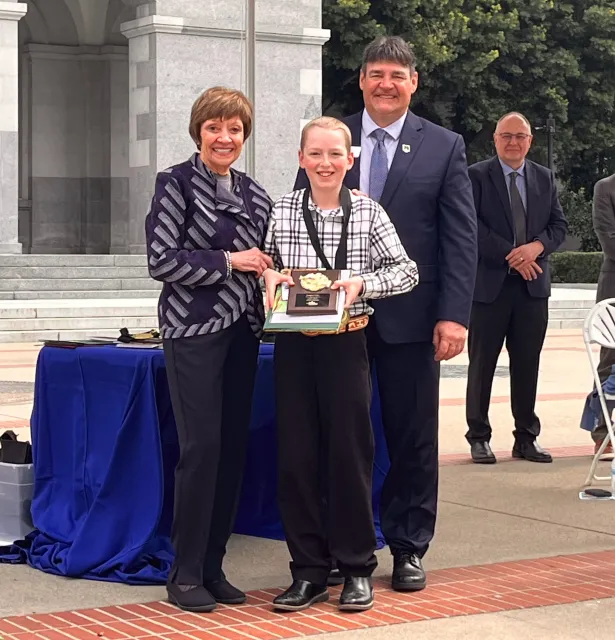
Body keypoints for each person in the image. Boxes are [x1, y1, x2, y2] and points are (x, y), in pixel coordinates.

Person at [294, 36, 477, 592]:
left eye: (397, 74)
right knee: (337, 438)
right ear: (362, 79)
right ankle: (335, 549)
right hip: (333, 325)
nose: (386, 83)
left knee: (410, 437)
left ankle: (407, 546)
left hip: (410, 319)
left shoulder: (443, 146)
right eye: (376, 73)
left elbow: (459, 238)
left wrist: (454, 315)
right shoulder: (331, 137)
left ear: (413, 82)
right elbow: (300, 227)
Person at [264, 117, 419, 612]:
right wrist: (269, 277)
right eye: (316, 154)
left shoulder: (370, 213)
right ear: (301, 158)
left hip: (347, 342)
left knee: (350, 458)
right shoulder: (283, 209)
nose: (326, 163)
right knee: (297, 458)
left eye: (336, 154)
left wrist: (361, 284)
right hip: (293, 347)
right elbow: (267, 263)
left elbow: (407, 270)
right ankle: (307, 571)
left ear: (350, 160)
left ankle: (355, 568)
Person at [145, 86, 273, 612]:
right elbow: (161, 260)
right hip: (192, 332)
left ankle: (214, 566)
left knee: (231, 452)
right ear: (199, 131)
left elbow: (270, 258)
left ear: (244, 136)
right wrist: (229, 261)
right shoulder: (175, 183)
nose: (225, 137)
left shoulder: (257, 194)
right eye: (215, 127)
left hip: (244, 332)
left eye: (235, 129)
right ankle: (185, 571)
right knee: (200, 451)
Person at [465, 112, 567, 464]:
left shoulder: (544, 177)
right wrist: (512, 255)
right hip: (489, 288)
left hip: (532, 290)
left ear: (530, 140)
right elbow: (470, 226)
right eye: (506, 136)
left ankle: (526, 437)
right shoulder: (476, 176)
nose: (513, 142)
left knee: (527, 364)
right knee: (482, 365)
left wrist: (535, 248)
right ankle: (478, 435)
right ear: (495, 139)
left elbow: (558, 226)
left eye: (520, 136)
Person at [590, 173, 615, 459]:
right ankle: (603, 433)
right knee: (610, 361)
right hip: (614, 288)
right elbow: (610, 240)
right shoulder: (605, 188)